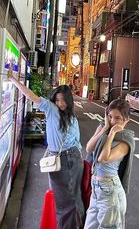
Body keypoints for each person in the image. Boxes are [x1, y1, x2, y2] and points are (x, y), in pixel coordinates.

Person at [8, 69, 85, 229]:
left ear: (69, 101)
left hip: (68, 159)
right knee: (69, 199)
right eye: (57, 100)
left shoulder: (66, 115)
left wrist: (13, 80)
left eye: (63, 100)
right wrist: (14, 81)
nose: (60, 104)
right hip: (67, 158)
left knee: (67, 202)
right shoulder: (56, 110)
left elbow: (31, 96)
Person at [84, 99, 135, 229]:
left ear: (126, 120)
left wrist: (111, 134)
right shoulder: (104, 127)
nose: (112, 121)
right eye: (110, 116)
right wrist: (105, 129)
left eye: (117, 118)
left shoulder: (126, 140)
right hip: (96, 188)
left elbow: (103, 158)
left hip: (110, 190)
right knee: (89, 226)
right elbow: (89, 149)